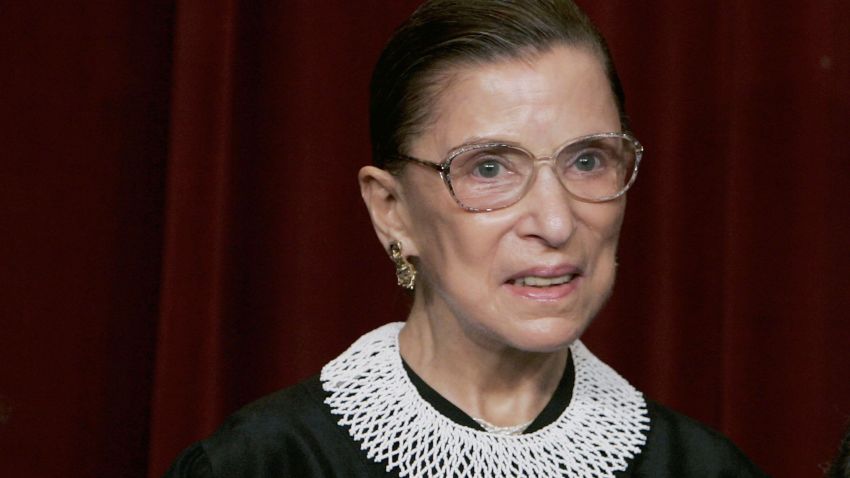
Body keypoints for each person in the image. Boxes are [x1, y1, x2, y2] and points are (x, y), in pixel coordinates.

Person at [166, 1, 768, 476]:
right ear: (392, 210)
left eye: (587, 160)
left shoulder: (704, 468)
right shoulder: (266, 465)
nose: (556, 223)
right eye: (488, 168)